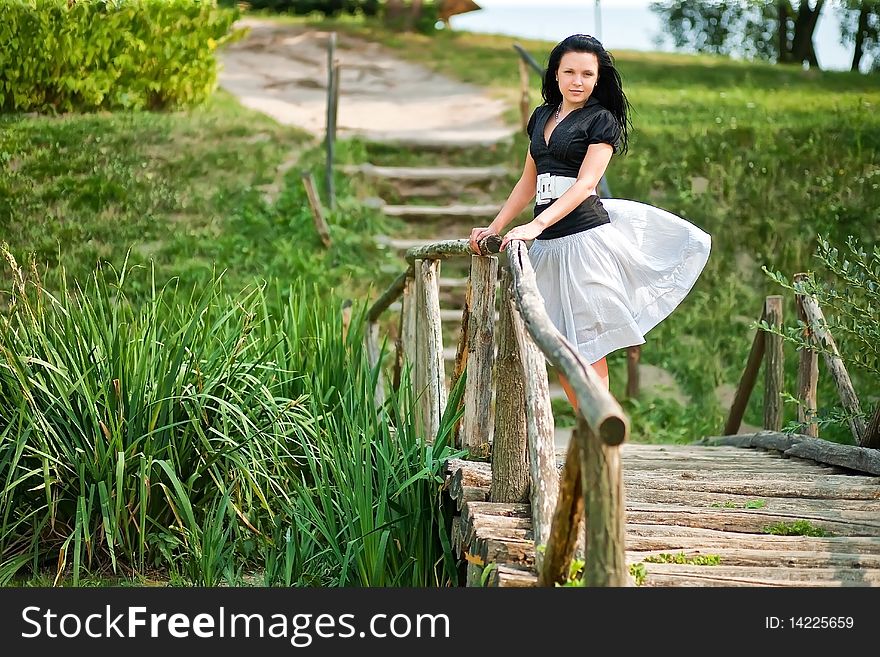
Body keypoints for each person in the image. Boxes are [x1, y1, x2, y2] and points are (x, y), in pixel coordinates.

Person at [469, 33, 711, 412]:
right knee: (561, 344)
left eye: (587, 73)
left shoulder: (602, 120)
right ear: (556, 74)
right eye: (569, 72)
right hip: (549, 247)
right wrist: (495, 227)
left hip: (584, 240)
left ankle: (600, 438)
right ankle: (589, 431)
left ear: (598, 78)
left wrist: (535, 226)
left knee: (588, 343)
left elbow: (586, 184)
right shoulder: (541, 116)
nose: (577, 81)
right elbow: (528, 182)